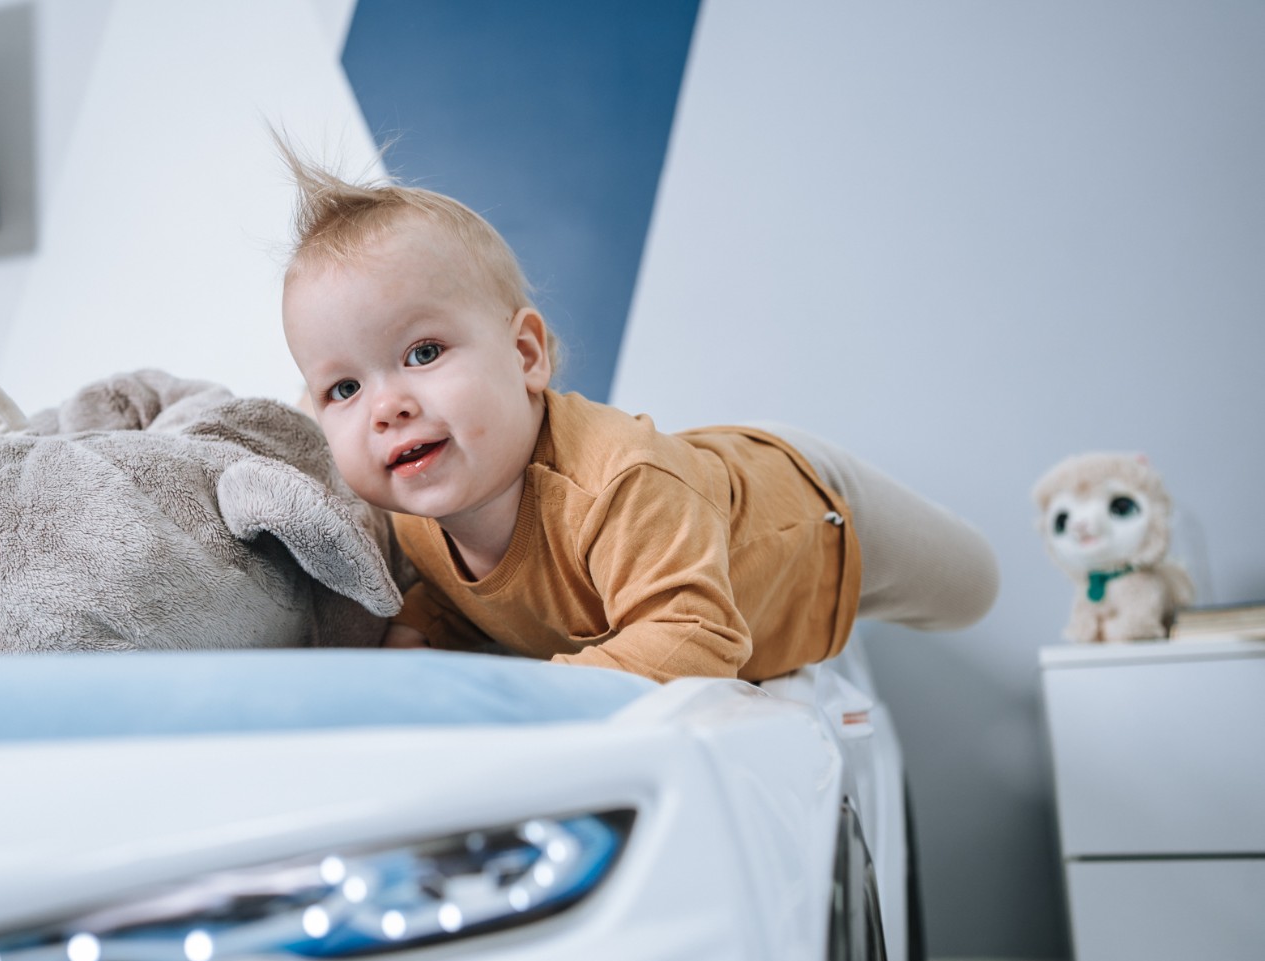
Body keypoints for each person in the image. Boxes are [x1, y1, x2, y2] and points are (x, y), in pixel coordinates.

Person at [279, 153, 998, 683]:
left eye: (424, 352)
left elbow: (694, 638)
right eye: (344, 388)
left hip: (809, 511)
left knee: (973, 590)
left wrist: (532, 700)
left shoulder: (618, 486)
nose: (387, 408)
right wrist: (414, 638)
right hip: (692, 503)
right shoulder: (416, 521)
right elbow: (463, 604)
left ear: (525, 354)